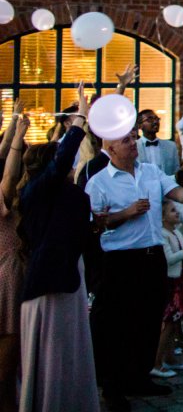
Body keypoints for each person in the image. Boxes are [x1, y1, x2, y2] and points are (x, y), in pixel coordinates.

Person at [84, 128, 183, 410]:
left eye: (132, 138)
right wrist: (126, 213)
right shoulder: (99, 182)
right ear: (111, 149)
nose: (133, 143)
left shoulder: (150, 171)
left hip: (152, 256)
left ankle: (139, 376)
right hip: (120, 260)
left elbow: (174, 191)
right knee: (117, 325)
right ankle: (112, 387)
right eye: (125, 140)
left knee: (148, 319)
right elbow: (95, 223)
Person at [16, 93, 101, 412]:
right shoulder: (35, 190)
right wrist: (80, 120)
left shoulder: (69, 193)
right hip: (48, 279)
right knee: (52, 351)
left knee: (72, 347)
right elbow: (62, 161)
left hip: (72, 272)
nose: (73, 161)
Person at [0, 107, 28, 412]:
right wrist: (18, 135)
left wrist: (12, 128)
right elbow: (8, 175)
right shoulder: (5, 199)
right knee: (5, 374)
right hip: (5, 279)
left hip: (7, 274)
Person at [152, 202, 183, 378]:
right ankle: (157, 363)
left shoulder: (177, 232)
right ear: (163, 217)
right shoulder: (162, 235)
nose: (177, 213)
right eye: (173, 211)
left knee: (174, 322)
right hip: (170, 281)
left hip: (180, 278)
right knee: (169, 322)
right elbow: (169, 259)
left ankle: (170, 358)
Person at [135, 110, 179, 177]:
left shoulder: (171, 146)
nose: (155, 122)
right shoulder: (134, 147)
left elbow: (176, 172)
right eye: (150, 119)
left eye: (157, 119)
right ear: (140, 126)